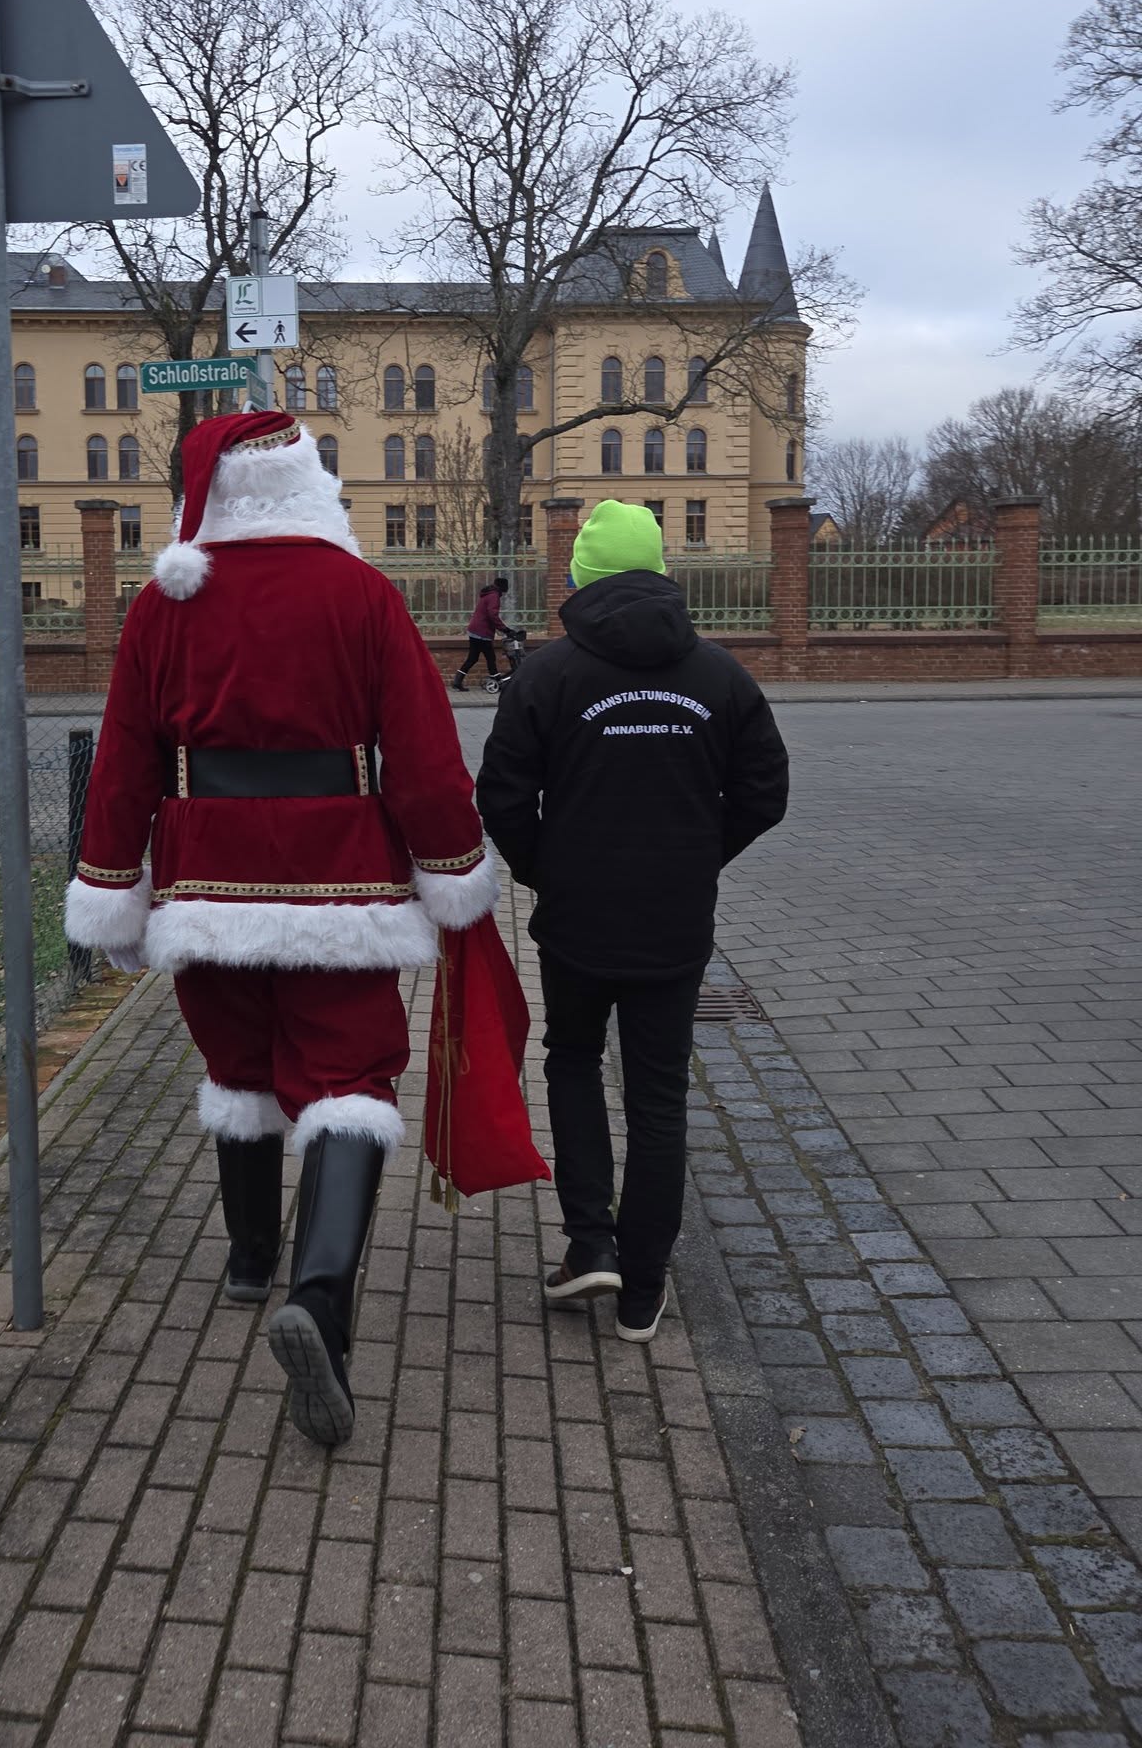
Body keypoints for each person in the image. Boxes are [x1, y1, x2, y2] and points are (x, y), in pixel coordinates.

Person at [66, 409, 497, 1446]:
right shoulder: (361, 594)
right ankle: (321, 1296)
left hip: (204, 881)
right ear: (312, 485)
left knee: (242, 1065)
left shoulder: (163, 603)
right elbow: (425, 754)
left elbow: (123, 756)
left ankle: (248, 1257)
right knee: (346, 1077)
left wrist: (112, 884)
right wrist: (454, 868)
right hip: (339, 882)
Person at [476, 501, 788, 1341]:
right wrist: (696, 858)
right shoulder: (721, 677)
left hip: (577, 920)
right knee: (658, 1094)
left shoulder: (546, 677)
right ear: (661, 575)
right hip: (673, 925)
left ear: (578, 578)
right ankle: (644, 1289)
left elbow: (500, 793)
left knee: (573, 1060)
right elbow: (766, 794)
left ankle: (590, 1243)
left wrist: (547, 870)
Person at [453, 575, 511, 689]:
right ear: (502, 587)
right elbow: (492, 615)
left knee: (473, 658)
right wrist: (505, 629)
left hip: (475, 629)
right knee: (490, 658)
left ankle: (457, 680)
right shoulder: (494, 596)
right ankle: (497, 680)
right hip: (482, 632)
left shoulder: (488, 594)